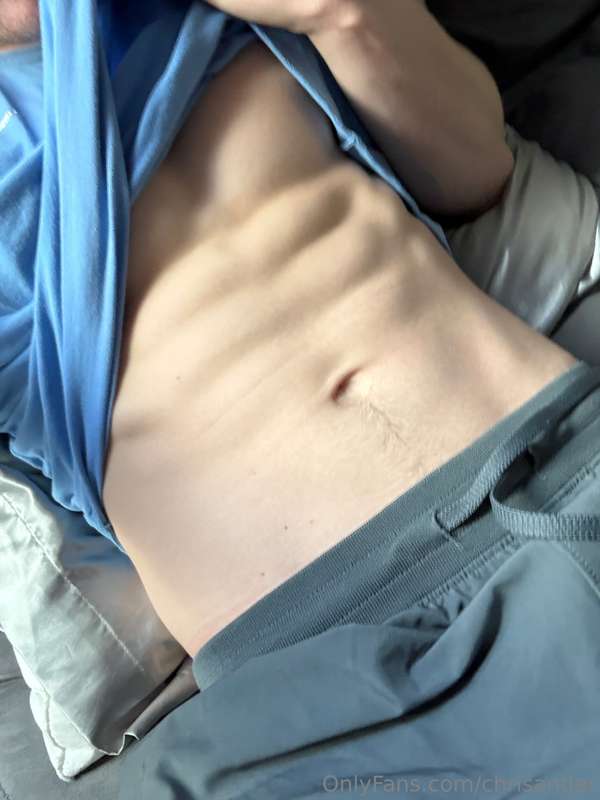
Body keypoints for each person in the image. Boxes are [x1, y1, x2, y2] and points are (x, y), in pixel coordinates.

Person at [2, 2, 600, 794]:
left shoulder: (221, 17)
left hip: (550, 475)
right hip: (308, 686)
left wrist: (340, 16)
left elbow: (479, 174)